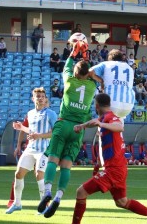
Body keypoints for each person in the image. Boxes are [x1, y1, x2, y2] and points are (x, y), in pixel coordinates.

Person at [71, 93, 147, 224]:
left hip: (114, 170)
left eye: (94, 104)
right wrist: (82, 126)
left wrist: (100, 124)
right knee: (122, 202)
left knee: (81, 192)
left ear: (97, 105)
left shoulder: (111, 118)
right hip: (118, 168)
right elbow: (95, 122)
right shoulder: (104, 118)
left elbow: (120, 127)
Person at [37, 33, 101, 218]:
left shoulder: (69, 80)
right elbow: (87, 71)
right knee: (66, 165)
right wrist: (86, 55)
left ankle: (47, 191)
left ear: (75, 72)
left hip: (63, 123)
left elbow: (67, 66)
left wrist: (75, 52)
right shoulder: (91, 87)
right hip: (78, 129)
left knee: (52, 159)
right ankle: (58, 197)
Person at [6, 87, 58, 214]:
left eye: (42, 96)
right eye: (37, 96)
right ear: (33, 99)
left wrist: (38, 136)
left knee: (39, 174)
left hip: (44, 150)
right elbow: (31, 131)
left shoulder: (51, 113)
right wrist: (21, 128)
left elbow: (56, 133)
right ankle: (17, 204)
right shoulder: (30, 113)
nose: (40, 98)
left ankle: (44, 206)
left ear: (45, 99)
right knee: (18, 173)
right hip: (31, 149)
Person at [89, 49, 135, 120]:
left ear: (109, 58)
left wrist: (101, 81)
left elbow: (90, 72)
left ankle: (101, 127)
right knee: (117, 125)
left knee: (99, 92)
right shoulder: (130, 68)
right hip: (128, 105)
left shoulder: (106, 64)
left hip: (111, 104)